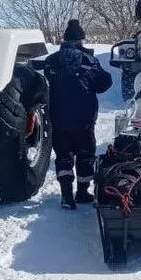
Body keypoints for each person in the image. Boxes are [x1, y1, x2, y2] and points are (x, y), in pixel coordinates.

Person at [44, 19, 113, 210]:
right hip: (84, 118)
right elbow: (105, 82)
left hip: (59, 118)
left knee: (63, 156)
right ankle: (82, 193)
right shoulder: (88, 61)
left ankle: (66, 197)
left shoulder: (51, 61)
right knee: (85, 155)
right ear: (80, 41)